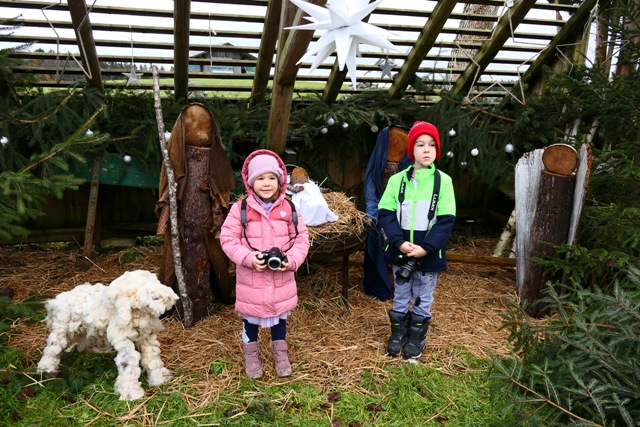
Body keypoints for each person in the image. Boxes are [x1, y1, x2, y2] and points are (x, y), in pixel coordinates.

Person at [220, 149, 310, 378]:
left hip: (281, 280)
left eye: (272, 178)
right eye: (260, 178)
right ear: (250, 182)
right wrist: (248, 258)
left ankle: (280, 353)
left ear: (281, 181)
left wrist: (291, 261)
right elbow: (228, 239)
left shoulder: (289, 208)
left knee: (280, 317)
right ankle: (251, 356)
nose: (267, 183)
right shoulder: (239, 210)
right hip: (252, 281)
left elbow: (301, 238)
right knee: (250, 319)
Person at [377, 121, 456, 360]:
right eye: (420, 144)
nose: (426, 149)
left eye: (432, 145)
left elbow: (446, 220)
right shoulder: (397, 181)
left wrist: (427, 248)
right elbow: (386, 213)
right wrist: (399, 242)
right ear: (412, 150)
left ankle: (416, 338)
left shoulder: (444, 182)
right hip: (402, 248)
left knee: (423, 294)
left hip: (428, 252)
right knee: (401, 292)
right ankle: (398, 335)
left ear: (437, 150)